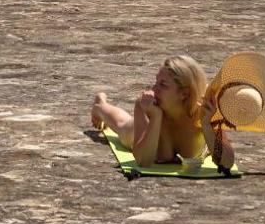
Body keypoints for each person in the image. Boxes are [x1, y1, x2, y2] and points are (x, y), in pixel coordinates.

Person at [90, 56, 234, 170]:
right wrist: (155, 118)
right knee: (123, 125)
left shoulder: (204, 111)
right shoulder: (147, 106)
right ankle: (100, 106)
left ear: (184, 94)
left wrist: (207, 125)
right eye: (156, 82)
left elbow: (227, 163)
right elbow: (142, 162)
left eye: (163, 85)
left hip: (199, 139)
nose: (153, 88)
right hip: (138, 133)